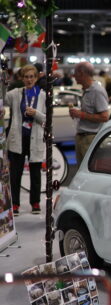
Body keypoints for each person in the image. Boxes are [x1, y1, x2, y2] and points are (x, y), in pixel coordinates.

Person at [3, 64, 46, 215]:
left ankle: (35, 203)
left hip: (35, 139)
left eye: (31, 77)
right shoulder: (15, 93)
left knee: (35, 173)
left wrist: (36, 113)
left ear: (36, 78)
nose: (29, 80)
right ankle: (15, 204)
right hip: (18, 138)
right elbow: (3, 98)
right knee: (15, 174)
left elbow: (47, 119)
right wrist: (3, 82)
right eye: (26, 77)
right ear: (22, 78)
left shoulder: (42, 95)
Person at [69, 62, 109, 166]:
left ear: (81, 73)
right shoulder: (87, 90)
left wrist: (81, 114)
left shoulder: (97, 91)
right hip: (83, 138)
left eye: (75, 73)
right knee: (82, 171)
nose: (74, 76)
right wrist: (78, 114)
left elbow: (104, 117)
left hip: (90, 139)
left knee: (90, 169)